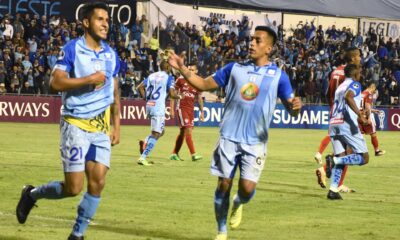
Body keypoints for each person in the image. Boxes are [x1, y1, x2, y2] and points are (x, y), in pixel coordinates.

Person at [168, 26, 302, 240]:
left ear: (269, 48)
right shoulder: (234, 68)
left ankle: (239, 203)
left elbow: (292, 110)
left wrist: (295, 107)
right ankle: (221, 230)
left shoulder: (279, 76)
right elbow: (203, 84)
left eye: (257, 41)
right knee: (223, 184)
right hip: (229, 138)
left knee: (247, 189)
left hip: (256, 142)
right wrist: (183, 70)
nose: (251, 43)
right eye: (251, 39)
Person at [16, 3, 121, 240]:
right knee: (74, 188)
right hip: (75, 125)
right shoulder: (72, 49)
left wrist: (117, 125)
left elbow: (114, 90)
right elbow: (55, 82)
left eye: (107, 19)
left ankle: (77, 235)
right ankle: (31, 194)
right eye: (100, 19)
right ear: (86, 22)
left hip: (101, 127)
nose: (106, 23)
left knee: (98, 182)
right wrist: (88, 79)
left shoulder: (111, 54)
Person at [314, 47, 361, 191]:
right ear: (352, 58)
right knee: (350, 151)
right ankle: (325, 168)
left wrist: (332, 110)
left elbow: (329, 93)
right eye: (358, 56)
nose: (360, 58)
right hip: (346, 116)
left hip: (335, 114)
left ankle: (338, 183)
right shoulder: (349, 74)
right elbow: (349, 96)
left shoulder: (335, 71)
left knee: (344, 150)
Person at [326, 64, 369, 200]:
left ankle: (333, 190)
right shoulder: (355, 84)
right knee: (364, 157)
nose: (361, 74)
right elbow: (349, 97)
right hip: (347, 124)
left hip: (334, 124)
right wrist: (360, 115)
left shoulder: (340, 86)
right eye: (360, 71)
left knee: (342, 158)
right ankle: (333, 160)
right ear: (355, 73)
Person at [137, 60, 182, 166]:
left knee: (161, 132)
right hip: (158, 107)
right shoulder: (168, 77)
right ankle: (143, 157)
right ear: (168, 68)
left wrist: (145, 97)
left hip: (149, 105)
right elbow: (172, 94)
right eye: (170, 67)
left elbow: (140, 87)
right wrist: (180, 96)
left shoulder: (152, 75)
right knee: (157, 133)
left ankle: (146, 141)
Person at [169, 62, 204, 161]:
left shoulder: (198, 82)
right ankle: (193, 154)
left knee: (183, 133)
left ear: (196, 71)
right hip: (181, 108)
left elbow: (200, 98)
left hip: (191, 110)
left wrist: (202, 112)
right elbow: (172, 94)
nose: (191, 71)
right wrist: (171, 109)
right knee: (188, 129)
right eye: (189, 69)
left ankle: (174, 153)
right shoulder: (180, 79)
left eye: (193, 70)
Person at [359, 83, 386, 156]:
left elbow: (362, 106)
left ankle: (358, 152)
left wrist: (374, 110)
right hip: (365, 116)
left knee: (359, 135)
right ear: (372, 87)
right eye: (374, 89)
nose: (374, 91)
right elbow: (367, 106)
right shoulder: (369, 94)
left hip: (359, 116)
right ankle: (377, 151)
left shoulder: (362, 93)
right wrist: (369, 118)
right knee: (373, 134)